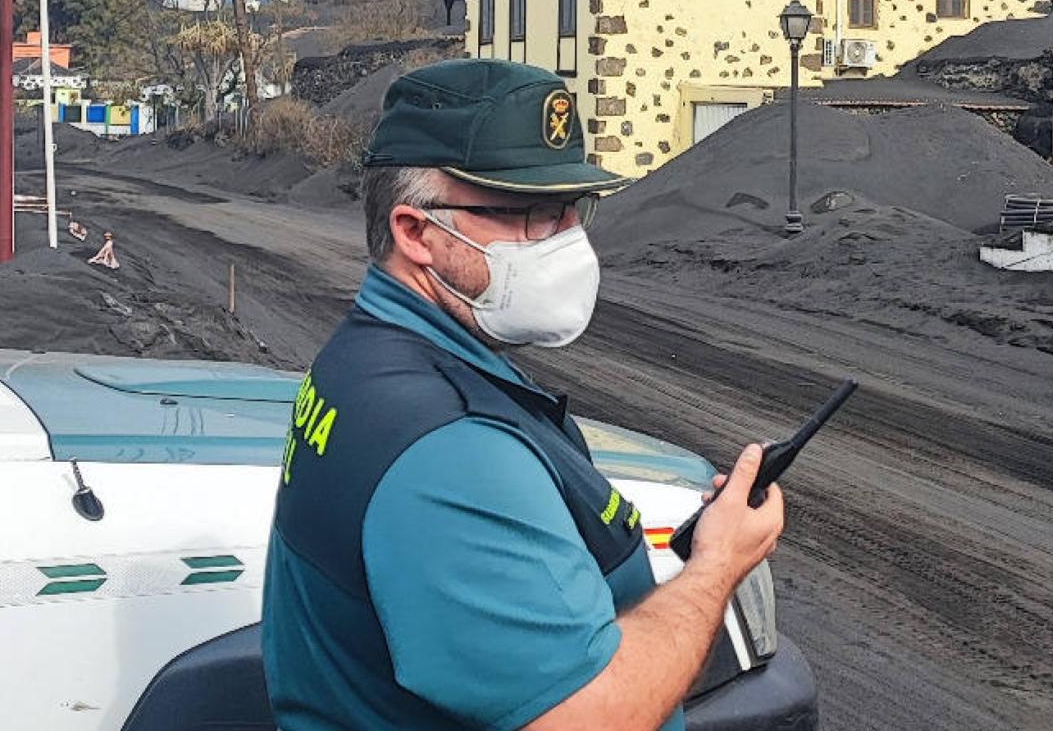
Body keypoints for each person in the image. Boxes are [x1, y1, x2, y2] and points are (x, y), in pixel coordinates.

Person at [262, 60, 785, 731]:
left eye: (573, 208)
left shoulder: (370, 360)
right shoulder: (451, 453)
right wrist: (717, 567)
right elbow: (583, 718)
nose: (567, 238)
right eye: (529, 214)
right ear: (415, 231)